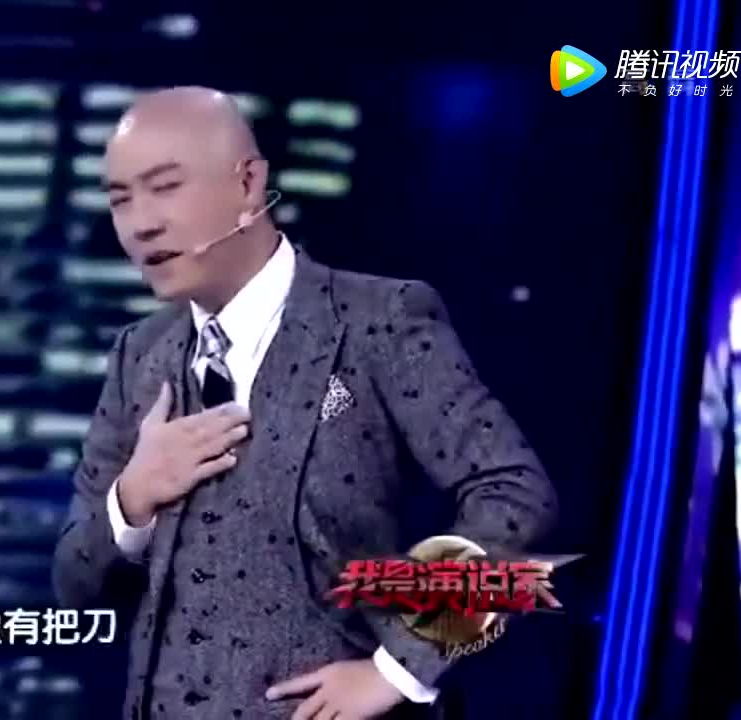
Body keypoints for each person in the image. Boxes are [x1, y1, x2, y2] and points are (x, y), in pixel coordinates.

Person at [52, 86, 558, 720]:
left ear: (247, 183)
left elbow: (516, 496)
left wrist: (399, 669)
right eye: (120, 198)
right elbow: (74, 582)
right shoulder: (139, 356)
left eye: (165, 187)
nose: (140, 223)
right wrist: (133, 498)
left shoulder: (379, 321)